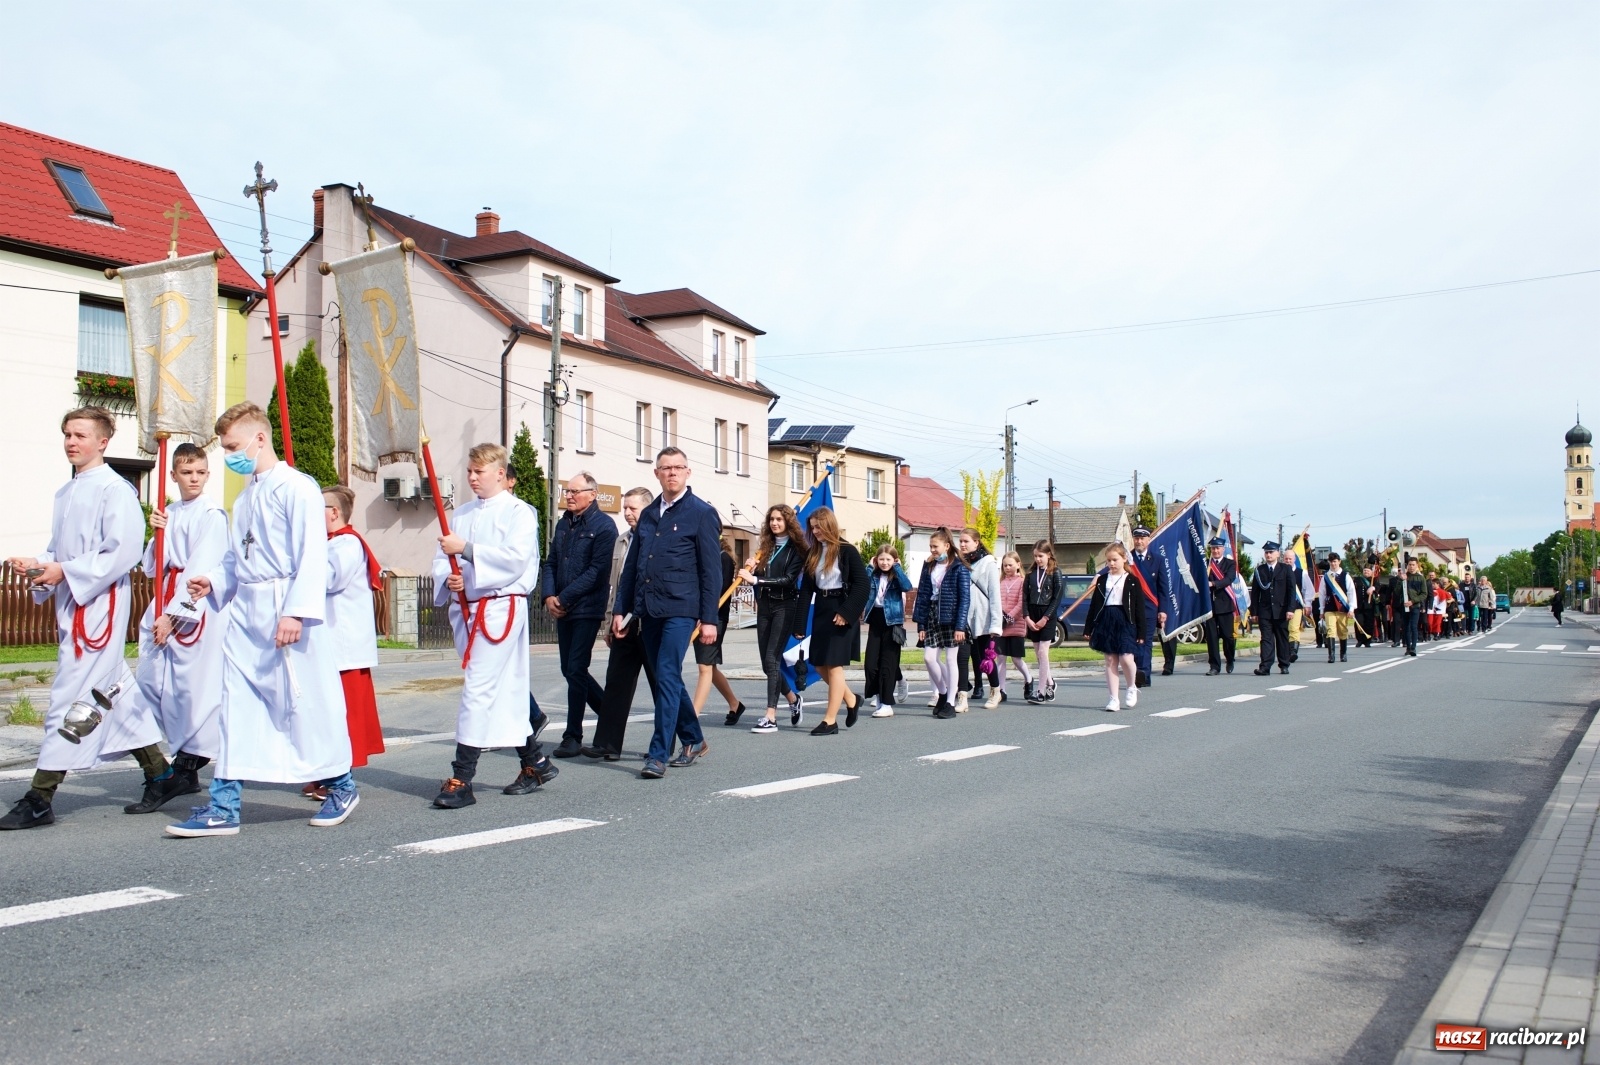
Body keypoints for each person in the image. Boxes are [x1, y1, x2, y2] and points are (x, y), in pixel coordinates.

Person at [165, 402, 357, 836]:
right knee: (236, 707)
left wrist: (295, 610)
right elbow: (238, 557)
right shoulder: (246, 496)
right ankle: (224, 805)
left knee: (304, 703)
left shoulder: (297, 487)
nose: (230, 455)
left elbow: (312, 552)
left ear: (259, 438)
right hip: (245, 612)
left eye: (233, 445)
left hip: (284, 610)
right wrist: (213, 582)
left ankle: (342, 785)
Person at [2, 407, 166, 831]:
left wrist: (66, 572)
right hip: (74, 602)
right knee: (114, 693)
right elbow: (60, 551)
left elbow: (124, 551)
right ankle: (160, 773)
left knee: (70, 698)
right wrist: (39, 566)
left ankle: (40, 795)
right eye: (67, 435)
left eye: (80, 435)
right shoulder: (66, 492)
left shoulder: (116, 490)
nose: (71, 442)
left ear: (103, 442)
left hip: (100, 606)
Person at [431, 443, 555, 809]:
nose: (471, 477)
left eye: (478, 472)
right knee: (503, 690)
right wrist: (448, 578)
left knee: (478, 687)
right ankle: (536, 762)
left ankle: (461, 777)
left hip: (499, 607)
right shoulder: (462, 513)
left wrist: (466, 550)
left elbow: (515, 561)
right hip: (466, 608)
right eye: (469, 471)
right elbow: (442, 558)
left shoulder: (519, 513)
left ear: (500, 474)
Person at [122, 442, 228, 815]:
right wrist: (155, 532)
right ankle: (179, 761)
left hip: (192, 607)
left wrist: (174, 616)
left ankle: (185, 767)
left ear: (207, 474)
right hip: (165, 597)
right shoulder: (170, 511)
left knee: (191, 690)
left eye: (200, 472)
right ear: (174, 475)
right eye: (187, 473)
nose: (194, 479)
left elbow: (200, 567)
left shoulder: (212, 514)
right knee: (151, 684)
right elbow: (153, 566)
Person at [611, 446, 719, 779]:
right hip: (650, 608)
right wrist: (621, 609)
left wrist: (710, 619)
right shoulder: (648, 515)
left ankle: (659, 753)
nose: (671, 473)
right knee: (664, 677)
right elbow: (632, 568)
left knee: (668, 674)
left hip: (681, 607)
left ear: (688, 472)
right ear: (656, 474)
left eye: (677, 467)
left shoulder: (701, 513)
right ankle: (694, 737)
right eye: (665, 468)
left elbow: (710, 570)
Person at [314, 485, 384, 801]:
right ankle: (327, 774)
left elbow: (329, 579)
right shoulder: (329, 543)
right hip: (329, 644)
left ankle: (340, 779)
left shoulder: (345, 544)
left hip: (343, 646)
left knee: (345, 716)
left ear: (333, 512)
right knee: (328, 713)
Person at [541, 472, 618, 758]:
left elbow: (597, 573)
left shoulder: (604, 526)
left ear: (592, 494)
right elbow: (550, 563)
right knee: (570, 670)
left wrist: (564, 597)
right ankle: (610, 716)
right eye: (566, 492)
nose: (569, 496)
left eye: (575, 491)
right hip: (562, 608)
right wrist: (549, 596)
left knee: (575, 668)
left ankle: (572, 735)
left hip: (586, 608)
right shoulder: (564, 524)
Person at [584, 487, 657, 760]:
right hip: (622, 622)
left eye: (633, 508)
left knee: (660, 684)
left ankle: (664, 745)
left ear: (647, 510)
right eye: (625, 508)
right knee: (616, 683)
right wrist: (608, 622)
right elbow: (614, 585)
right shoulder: (622, 540)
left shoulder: (656, 540)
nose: (627, 513)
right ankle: (607, 743)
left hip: (649, 622)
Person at [793, 507, 869, 735]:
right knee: (818, 664)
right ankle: (851, 699)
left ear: (830, 525)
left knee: (834, 665)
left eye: (819, 526)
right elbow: (806, 591)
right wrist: (799, 624)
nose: (815, 531)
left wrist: (846, 612)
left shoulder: (847, 551)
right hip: (823, 611)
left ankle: (830, 720)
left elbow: (862, 585)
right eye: (813, 527)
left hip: (842, 609)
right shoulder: (813, 553)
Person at [740, 505, 807, 733]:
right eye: (772, 519)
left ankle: (771, 716)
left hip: (785, 606)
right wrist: (754, 569)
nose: (775, 523)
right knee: (767, 664)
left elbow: (788, 579)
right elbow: (761, 575)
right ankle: (792, 698)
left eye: (779, 519)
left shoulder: (797, 549)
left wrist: (756, 580)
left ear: (788, 521)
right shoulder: (766, 547)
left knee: (772, 659)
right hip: (765, 606)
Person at [913, 527, 970, 718]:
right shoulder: (928, 566)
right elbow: (922, 595)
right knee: (929, 658)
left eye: (935, 546)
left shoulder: (958, 567)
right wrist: (921, 624)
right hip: (932, 616)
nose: (932, 550)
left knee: (951, 659)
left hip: (951, 618)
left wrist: (960, 626)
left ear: (946, 545)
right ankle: (943, 692)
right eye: (930, 546)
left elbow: (965, 599)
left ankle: (950, 703)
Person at [1084, 543, 1146, 711]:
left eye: (1115, 560)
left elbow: (1139, 607)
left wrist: (1142, 631)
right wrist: (1088, 628)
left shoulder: (1132, 581)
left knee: (1126, 658)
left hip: (1126, 621)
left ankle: (1131, 686)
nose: (1111, 564)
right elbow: (1094, 605)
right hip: (1106, 620)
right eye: (1109, 561)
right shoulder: (1102, 580)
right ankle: (1113, 698)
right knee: (1110, 659)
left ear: (1124, 559)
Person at [691, 536, 744, 725]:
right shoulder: (703, 557)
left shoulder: (723, 558)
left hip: (713, 618)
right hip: (699, 617)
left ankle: (693, 715)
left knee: (705, 666)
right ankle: (734, 704)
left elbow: (719, 591)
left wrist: (706, 617)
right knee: (709, 666)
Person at [862, 544, 912, 718]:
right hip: (875, 619)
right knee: (870, 664)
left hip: (893, 622)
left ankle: (886, 704)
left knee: (887, 665)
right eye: (881, 559)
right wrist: (869, 567)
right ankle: (880, 695)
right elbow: (861, 585)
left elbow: (907, 586)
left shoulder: (896, 576)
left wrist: (897, 567)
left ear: (894, 560)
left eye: (888, 559)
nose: (884, 563)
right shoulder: (873, 574)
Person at [955, 528, 1001, 713]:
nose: (963, 544)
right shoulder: (958, 563)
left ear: (977, 542)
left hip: (983, 617)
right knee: (962, 657)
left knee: (985, 658)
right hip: (963, 618)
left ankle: (995, 690)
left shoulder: (988, 563)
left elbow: (994, 595)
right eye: (961, 541)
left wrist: (995, 625)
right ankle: (962, 697)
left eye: (966, 541)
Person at [1128, 526, 1170, 686]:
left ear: (1148, 540)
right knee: (1132, 641)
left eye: (1142, 538)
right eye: (1136, 538)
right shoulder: (1127, 559)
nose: (1139, 541)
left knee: (1144, 642)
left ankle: (1144, 674)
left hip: (1149, 608)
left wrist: (1163, 610)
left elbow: (1163, 587)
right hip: (1131, 608)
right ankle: (1135, 672)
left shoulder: (1157, 559)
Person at [1022, 540, 1063, 702]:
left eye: (1041, 556)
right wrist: (1026, 617)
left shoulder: (1055, 572)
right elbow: (1024, 597)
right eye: (1035, 556)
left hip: (1048, 614)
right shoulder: (1031, 573)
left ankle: (1040, 691)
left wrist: (1046, 617)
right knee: (1039, 654)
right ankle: (1051, 683)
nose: (1038, 559)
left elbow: (1057, 597)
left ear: (1049, 555)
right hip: (1033, 613)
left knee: (1042, 652)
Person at [1249, 542, 1295, 676]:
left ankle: (1284, 664)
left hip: (1281, 611)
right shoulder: (1259, 570)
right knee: (1266, 639)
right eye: (1266, 552)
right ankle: (1265, 666)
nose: (1268, 555)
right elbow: (1256, 592)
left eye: (1271, 552)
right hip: (1265, 611)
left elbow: (1291, 591)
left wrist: (1290, 609)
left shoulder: (1285, 569)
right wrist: (1254, 612)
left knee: (1282, 639)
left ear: (1278, 554)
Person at [993, 551, 1031, 704]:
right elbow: (996, 601)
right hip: (1001, 626)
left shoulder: (1022, 581)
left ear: (1018, 565)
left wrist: (1009, 617)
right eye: (1005, 565)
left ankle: (1028, 679)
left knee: (1016, 659)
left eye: (1010, 565)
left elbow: (1021, 604)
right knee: (1000, 658)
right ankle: (1001, 690)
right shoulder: (1000, 582)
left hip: (1016, 625)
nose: (1007, 568)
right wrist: (999, 616)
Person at [1203, 536, 1237, 676]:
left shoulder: (1230, 563)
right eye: (1213, 548)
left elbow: (1229, 579)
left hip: (1225, 605)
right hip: (1209, 606)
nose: (1215, 551)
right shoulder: (1206, 563)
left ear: (1223, 549)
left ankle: (1230, 658)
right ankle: (1214, 666)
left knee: (1228, 636)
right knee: (1211, 637)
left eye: (1218, 548)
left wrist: (1213, 584)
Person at [1318, 552, 1357, 663]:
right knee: (1330, 630)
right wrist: (1321, 610)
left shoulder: (1346, 575)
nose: (1333, 564)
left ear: (1339, 562)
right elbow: (1322, 594)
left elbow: (1351, 593)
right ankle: (1331, 655)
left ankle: (1343, 654)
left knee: (1342, 631)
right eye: (1331, 562)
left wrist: (1351, 608)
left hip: (1342, 608)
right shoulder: (1326, 577)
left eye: (1335, 561)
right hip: (1329, 607)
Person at [1395, 559, 1426, 656]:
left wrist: (1413, 601)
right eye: (1410, 565)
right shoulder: (1404, 576)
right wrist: (1401, 580)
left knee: (1413, 626)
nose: (1411, 566)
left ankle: (1413, 647)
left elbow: (1424, 594)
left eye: (1413, 565)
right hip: (1404, 606)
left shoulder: (1420, 578)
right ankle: (1408, 647)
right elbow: (1396, 592)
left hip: (1415, 606)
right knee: (1405, 627)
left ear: (1417, 566)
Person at [1354, 563, 1377, 648]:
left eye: (1368, 570)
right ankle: (1360, 640)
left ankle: (1368, 641)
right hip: (1359, 605)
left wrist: (1373, 588)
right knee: (1359, 623)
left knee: (1369, 623)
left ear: (1371, 572)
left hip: (1369, 606)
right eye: (1365, 570)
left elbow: (1378, 587)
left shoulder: (1374, 580)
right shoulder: (1358, 580)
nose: (1366, 572)